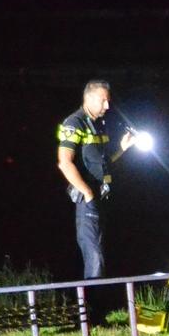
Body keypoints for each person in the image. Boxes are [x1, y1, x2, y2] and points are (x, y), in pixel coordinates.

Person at [56, 80, 135, 280]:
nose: (107, 106)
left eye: (109, 101)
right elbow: (64, 163)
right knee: (94, 257)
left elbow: (103, 162)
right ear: (89, 98)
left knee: (104, 255)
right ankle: (91, 306)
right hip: (88, 202)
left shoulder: (99, 124)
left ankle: (101, 306)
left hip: (103, 198)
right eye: (103, 101)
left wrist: (122, 149)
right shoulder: (74, 123)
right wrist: (87, 193)